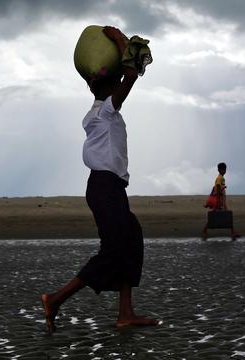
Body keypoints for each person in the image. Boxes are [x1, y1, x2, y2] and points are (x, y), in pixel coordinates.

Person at [41, 26, 158, 333]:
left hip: (111, 188)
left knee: (131, 240)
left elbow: (129, 74)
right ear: (109, 85)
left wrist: (124, 57)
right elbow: (131, 76)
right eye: (116, 80)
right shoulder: (105, 111)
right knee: (113, 250)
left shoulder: (102, 112)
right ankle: (56, 300)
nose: (121, 82)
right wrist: (120, 41)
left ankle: (125, 313)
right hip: (104, 187)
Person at [202, 162, 240, 240]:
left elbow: (215, 188)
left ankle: (233, 232)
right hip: (220, 200)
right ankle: (204, 231)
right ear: (219, 170)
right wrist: (219, 202)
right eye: (222, 169)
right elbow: (218, 188)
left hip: (221, 200)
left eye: (224, 169)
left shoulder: (220, 178)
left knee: (222, 216)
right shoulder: (220, 178)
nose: (224, 171)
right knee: (224, 216)